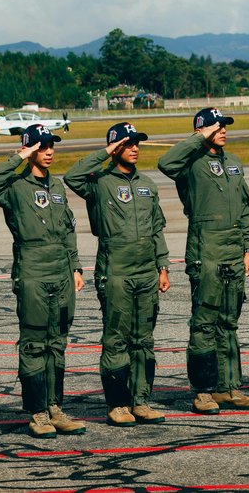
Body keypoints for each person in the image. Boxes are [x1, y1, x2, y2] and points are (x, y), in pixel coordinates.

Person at [0, 124, 87, 438]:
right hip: (32, 270)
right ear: (30, 150)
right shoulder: (14, 185)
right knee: (34, 344)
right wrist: (20, 156)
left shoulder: (56, 186)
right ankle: (37, 412)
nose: (50, 151)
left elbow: (68, 229)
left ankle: (55, 407)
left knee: (58, 343)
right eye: (42, 147)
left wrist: (76, 265)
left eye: (51, 145)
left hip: (61, 270)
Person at [65, 122, 171, 426]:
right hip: (116, 269)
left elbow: (156, 229)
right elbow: (72, 175)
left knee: (144, 339)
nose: (135, 147)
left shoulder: (147, 185)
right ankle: (117, 403)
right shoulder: (98, 182)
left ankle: (141, 400)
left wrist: (162, 266)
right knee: (117, 339)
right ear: (115, 147)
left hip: (146, 270)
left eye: (137, 142)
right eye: (128, 143)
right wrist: (106, 152)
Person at [157, 108, 249, 415]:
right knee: (204, 323)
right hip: (206, 249)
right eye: (216, 127)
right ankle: (203, 390)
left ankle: (228, 387)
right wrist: (198, 139)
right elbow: (166, 163)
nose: (223, 130)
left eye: (225, 126)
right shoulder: (190, 162)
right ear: (202, 130)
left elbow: (244, 209)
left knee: (228, 323)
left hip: (232, 250)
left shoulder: (233, 163)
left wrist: (247, 249)